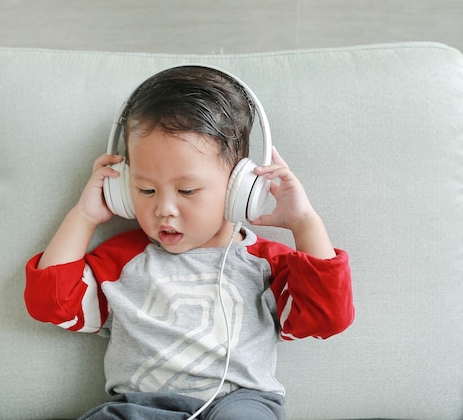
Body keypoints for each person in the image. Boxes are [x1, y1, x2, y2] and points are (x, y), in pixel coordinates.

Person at [24, 66, 354, 420]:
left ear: (238, 188)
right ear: (121, 188)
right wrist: (83, 218)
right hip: (138, 407)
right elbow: (52, 305)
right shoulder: (120, 261)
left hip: (238, 404)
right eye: (145, 190)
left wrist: (304, 223)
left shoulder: (266, 263)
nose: (164, 209)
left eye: (187, 191)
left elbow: (326, 317)